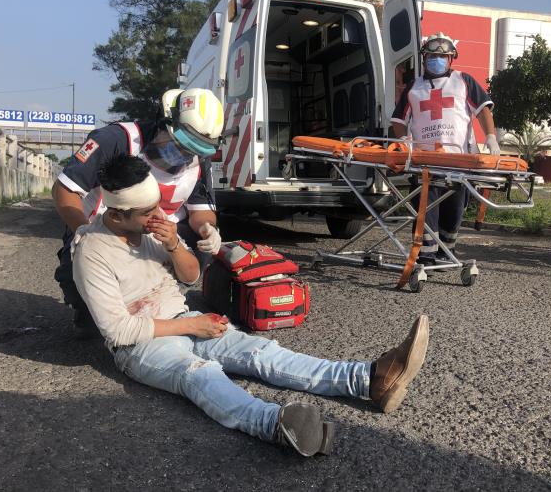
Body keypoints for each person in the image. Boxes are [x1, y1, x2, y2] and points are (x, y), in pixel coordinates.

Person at [72, 154, 430, 457]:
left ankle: (370, 379)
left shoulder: (153, 229)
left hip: (184, 317)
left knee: (261, 351)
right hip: (140, 345)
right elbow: (118, 330)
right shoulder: (91, 251)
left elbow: (190, 276)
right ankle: (275, 425)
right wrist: (191, 327)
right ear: (116, 215)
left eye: (158, 209)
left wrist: (174, 246)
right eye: (147, 212)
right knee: (198, 373)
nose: (158, 217)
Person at [53, 88, 224, 338]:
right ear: (163, 122)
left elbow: (201, 212)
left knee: (195, 247)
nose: (184, 156)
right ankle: (87, 305)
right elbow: (65, 190)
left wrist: (207, 229)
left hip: (157, 237)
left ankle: (167, 302)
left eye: (193, 151)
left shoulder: (198, 160)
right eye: (179, 145)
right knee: (94, 325)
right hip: (106, 233)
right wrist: (85, 233)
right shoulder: (116, 140)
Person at [390, 32, 500, 264]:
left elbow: (482, 110)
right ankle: (425, 255)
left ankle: (446, 252)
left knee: (454, 210)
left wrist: (490, 137)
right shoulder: (414, 87)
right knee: (425, 208)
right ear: (424, 57)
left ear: (451, 59)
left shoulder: (463, 81)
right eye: (431, 55)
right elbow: (398, 121)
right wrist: (402, 143)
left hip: (458, 160)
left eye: (442, 56)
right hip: (424, 161)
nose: (436, 59)